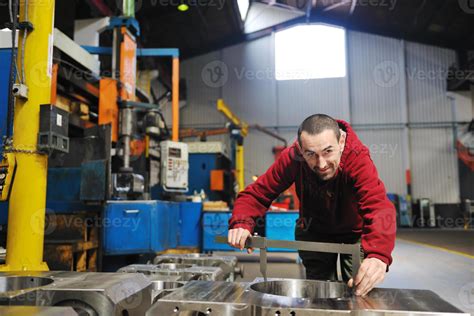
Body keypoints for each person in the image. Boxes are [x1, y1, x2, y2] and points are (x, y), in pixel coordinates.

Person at [227, 114, 396, 297]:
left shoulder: (357, 158)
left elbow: (378, 206)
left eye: (328, 151)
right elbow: (257, 193)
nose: (321, 164)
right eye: (311, 155)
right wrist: (241, 222)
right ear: (300, 150)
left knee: (359, 289)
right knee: (317, 293)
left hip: (355, 232)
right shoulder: (292, 158)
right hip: (314, 230)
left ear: (341, 141)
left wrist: (378, 254)